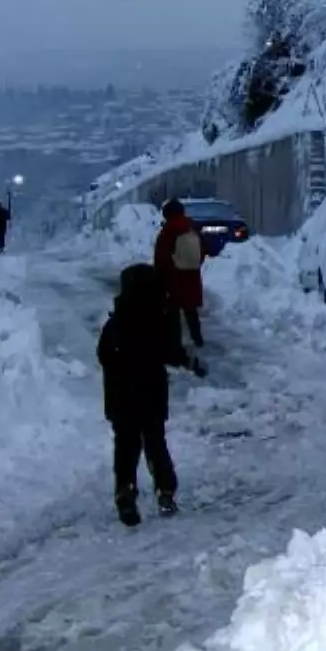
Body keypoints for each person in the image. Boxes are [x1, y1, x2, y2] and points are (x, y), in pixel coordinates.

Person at [97, 263, 204, 526]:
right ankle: (165, 491)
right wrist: (191, 363)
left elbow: (103, 354)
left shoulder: (117, 321)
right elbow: (171, 352)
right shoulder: (159, 319)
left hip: (121, 397)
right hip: (150, 394)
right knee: (155, 443)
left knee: (126, 447)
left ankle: (125, 491)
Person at [154, 198, 205, 350]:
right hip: (192, 276)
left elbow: (161, 256)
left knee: (172, 312)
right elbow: (202, 251)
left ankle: (174, 344)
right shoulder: (192, 227)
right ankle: (198, 339)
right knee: (191, 310)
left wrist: (159, 275)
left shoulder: (168, 230)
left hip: (173, 276)